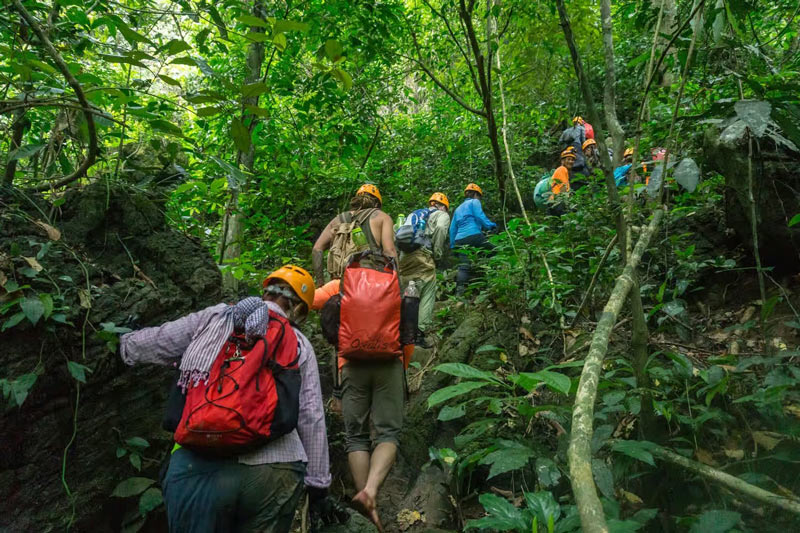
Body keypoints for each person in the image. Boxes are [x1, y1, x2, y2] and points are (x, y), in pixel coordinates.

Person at [119, 265, 341, 533]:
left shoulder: (215, 318)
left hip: (196, 464)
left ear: (265, 293)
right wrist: (318, 486)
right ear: (300, 310)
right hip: (274, 471)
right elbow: (311, 416)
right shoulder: (298, 343)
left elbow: (159, 341)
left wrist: (124, 341)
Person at [312, 184, 397, 288]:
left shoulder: (338, 219)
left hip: (339, 283)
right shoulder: (382, 217)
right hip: (370, 283)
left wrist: (320, 283)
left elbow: (317, 249)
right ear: (377, 204)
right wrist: (396, 281)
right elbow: (389, 251)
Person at [398, 192, 451, 348]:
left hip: (405, 257)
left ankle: (402, 333)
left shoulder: (414, 214)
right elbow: (441, 228)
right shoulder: (441, 214)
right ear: (442, 206)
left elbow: (398, 232)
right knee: (428, 290)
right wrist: (438, 253)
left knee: (409, 290)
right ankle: (419, 335)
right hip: (423, 255)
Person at [450, 183, 497, 295]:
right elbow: (479, 216)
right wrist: (491, 226)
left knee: (464, 265)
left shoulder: (457, 209)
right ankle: (492, 280)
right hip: (474, 235)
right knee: (495, 251)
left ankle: (459, 293)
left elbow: (452, 229)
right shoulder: (474, 202)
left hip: (459, 240)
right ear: (476, 194)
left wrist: (453, 246)